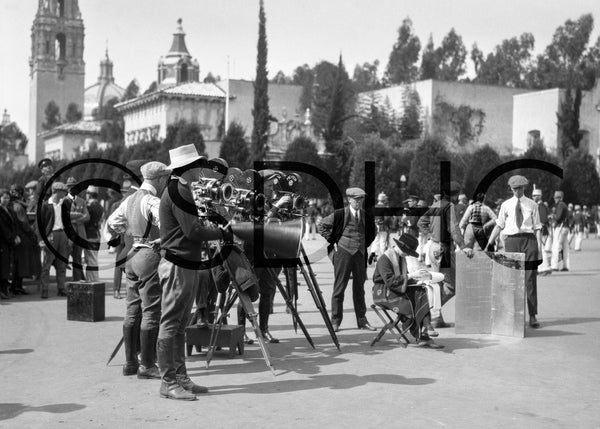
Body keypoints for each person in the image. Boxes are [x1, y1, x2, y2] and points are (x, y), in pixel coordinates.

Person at [157, 144, 226, 401]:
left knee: (180, 325)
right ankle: (168, 381)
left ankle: (179, 377)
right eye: (199, 166)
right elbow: (193, 231)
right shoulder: (178, 190)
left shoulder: (181, 188)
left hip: (184, 262)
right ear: (190, 168)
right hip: (178, 264)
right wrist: (223, 231)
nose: (201, 171)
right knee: (172, 323)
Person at [107, 161, 171, 379]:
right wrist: (160, 240)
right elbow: (167, 226)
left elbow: (111, 224)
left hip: (131, 256)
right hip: (148, 256)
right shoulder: (153, 200)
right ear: (160, 179)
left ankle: (130, 363)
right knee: (151, 311)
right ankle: (147, 365)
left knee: (132, 309)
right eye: (165, 179)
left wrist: (130, 232)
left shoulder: (129, 200)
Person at [485, 175, 542, 329]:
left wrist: (540, 250)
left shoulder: (532, 205)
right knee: (512, 279)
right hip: (511, 242)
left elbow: (537, 228)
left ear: (525, 188)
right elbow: (499, 225)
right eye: (515, 188)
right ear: (510, 189)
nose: (518, 191)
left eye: (521, 188)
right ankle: (512, 315)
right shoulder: (506, 205)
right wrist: (489, 244)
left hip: (529, 241)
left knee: (530, 279)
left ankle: (532, 315)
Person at [317, 187, 376, 332]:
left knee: (359, 289)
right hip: (343, 252)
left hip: (360, 254)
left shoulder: (365, 215)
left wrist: (364, 245)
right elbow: (322, 225)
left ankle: (362, 320)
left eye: (361, 199)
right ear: (349, 199)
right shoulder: (340, 214)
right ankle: (335, 320)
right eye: (356, 199)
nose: (358, 202)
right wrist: (333, 239)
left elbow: (373, 231)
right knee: (339, 288)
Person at [417, 181, 473, 328]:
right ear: (454, 194)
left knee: (437, 284)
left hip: (433, 247)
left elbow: (421, 222)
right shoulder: (450, 206)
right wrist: (463, 246)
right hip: (444, 249)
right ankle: (430, 312)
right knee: (451, 286)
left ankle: (437, 318)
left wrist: (429, 235)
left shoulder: (435, 205)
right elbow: (454, 228)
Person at [372, 233, 441, 345]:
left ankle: (426, 329)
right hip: (383, 292)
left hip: (394, 289)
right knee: (413, 300)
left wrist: (419, 280)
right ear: (401, 247)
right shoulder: (384, 259)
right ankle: (424, 332)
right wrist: (411, 276)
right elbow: (391, 282)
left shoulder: (400, 257)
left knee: (421, 290)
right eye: (407, 252)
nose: (407, 255)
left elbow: (403, 279)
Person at [37, 182, 70, 298]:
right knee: (47, 263)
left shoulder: (63, 204)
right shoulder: (46, 205)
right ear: (57, 191)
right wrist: (41, 239)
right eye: (63, 191)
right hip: (51, 235)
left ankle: (61, 288)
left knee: (62, 264)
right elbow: (39, 224)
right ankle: (44, 289)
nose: (65, 193)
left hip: (62, 234)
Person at [9, 185, 40, 295]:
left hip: (14, 236)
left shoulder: (11, 205)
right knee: (22, 264)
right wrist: (33, 235)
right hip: (22, 237)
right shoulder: (19, 206)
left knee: (15, 264)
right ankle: (17, 287)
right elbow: (24, 224)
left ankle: (14, 286)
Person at [63, 177, 89, 281]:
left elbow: (87, 216)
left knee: (78, 258)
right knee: (64, 258)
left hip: (80, 234)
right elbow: (64, 215)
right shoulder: (63, 201)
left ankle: (77, 280)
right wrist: (79, 215)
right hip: (68, 234)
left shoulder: (82, 201)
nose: (72, 188)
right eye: (69, 186)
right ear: (67, 188)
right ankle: (62, 283)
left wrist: (73, 219)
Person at [0, 190, 20, 299]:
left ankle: (6, 289)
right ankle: (3, 290)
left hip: (10, 242)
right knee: (3, 267)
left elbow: (15, 225)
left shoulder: (11, 211)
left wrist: (16, 236)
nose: (6, 200)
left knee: (8, 266)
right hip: (3, 242)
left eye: (8, 198)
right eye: (4, 198)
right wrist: (12, 238)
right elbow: (2, 228)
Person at [84, 186, 104, 282]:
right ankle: (92, 279)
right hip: (97, 234)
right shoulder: (100, 206)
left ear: (89, 194)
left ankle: (93, 280)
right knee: (93, 259)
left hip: (89, 235)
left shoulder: (88, 206)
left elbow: (86, 221)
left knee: (91, 260)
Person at [532, 188, 552, 275]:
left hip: (542, 231)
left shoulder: (541, 206)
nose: (533, 197)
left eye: (534, 196)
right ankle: (541, 269)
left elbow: (543, 220)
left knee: (542, 250)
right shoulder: (539, 206)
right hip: (540, 231)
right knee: (540, 250)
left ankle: (545, 268)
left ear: (539, 196)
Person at [368, 192, 393, 264]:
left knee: (376, 240)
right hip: (383, 226)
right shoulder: (385, 208)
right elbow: (387, 218)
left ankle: (373, 252)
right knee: (382, 241)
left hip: (375, 225)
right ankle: (382, 256)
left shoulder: (374, 207)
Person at [550, 191, 570, 272]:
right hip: (565, 226)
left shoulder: (560, 205)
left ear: (561, 198)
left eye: (556, 197)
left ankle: (554, 265)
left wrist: (552, 216)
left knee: (556, 246)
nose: (555, 199)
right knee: (565, 247)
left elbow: (558, 217)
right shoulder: (563, 204)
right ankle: (566, 265)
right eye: (555, 197)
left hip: (560, 227)